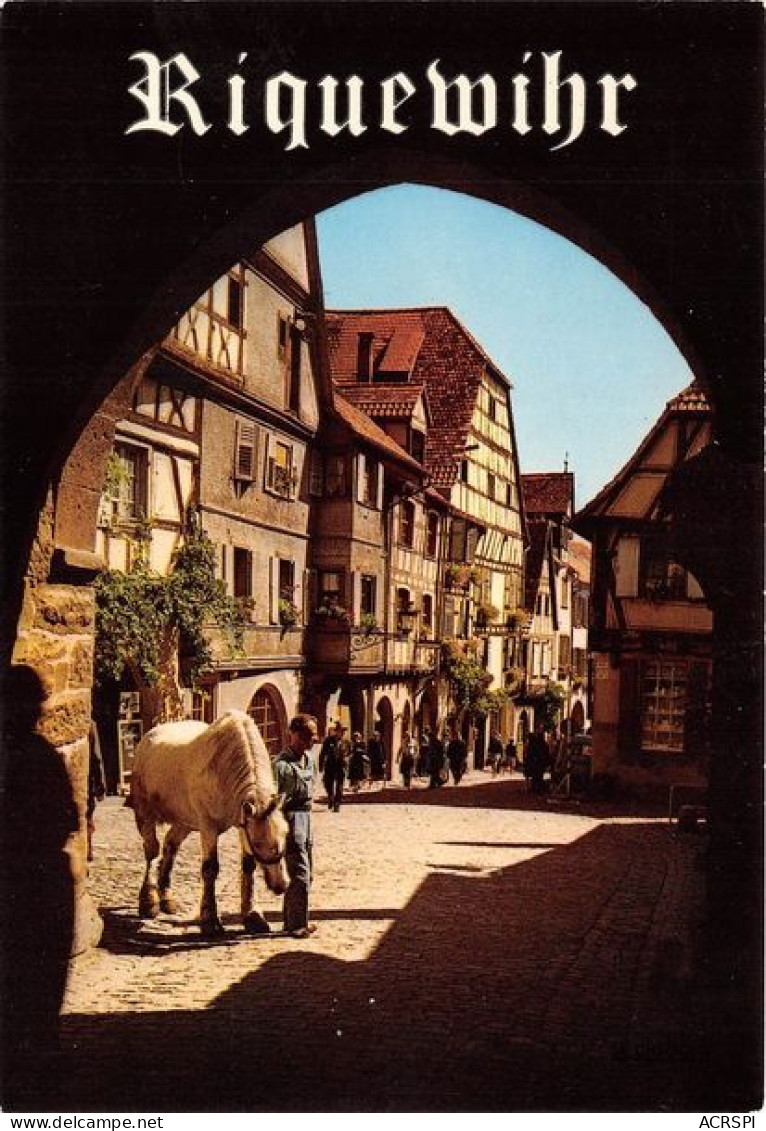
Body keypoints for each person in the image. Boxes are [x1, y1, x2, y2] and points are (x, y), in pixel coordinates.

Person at [273, 713, 319, 938]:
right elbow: (275, 799)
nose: (311, 742)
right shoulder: (281, 766)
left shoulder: (310, 759)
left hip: (307, 818)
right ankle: (296, 925)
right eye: (307, 737)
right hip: (290, 818)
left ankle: (294, 919)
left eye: (313, 737)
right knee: (299, 872)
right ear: (294, 735)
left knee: (308, 873)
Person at [86, 719, 106, 862]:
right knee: (87, 817)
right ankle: (87, 850)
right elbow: (96, 758)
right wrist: (100, 785)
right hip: (84, 783)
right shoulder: (90, 725)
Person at [319, 720, 349, 812]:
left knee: (340, 785)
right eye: (341, 731)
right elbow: (323, 753)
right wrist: (321, 765)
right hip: (330, 765)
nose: (342, 733)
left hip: (341, 766)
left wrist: (347, 761)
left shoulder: (346, 742)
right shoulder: (328, 740)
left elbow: (349, 753)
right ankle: (330, 797)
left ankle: (337, 804)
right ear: (337, 731)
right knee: (327, 783)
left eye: (343, 731)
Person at [525, 721, 550, 794]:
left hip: (539, 761)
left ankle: (536, 788)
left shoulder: (540, 739)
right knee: (536, 775)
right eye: (540, 728)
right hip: (535, 760)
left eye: (541, 728)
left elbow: (544, 749)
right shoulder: (534, 739)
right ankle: (536, 788)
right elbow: (531, 750)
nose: (541, 729)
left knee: (538, 775)